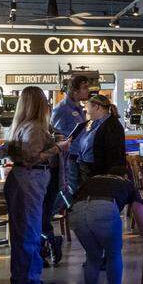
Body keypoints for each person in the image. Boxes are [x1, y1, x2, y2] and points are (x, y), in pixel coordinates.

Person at [4, 86, 70, 284]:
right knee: (28, 234)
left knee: (28, 232)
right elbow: (32, 158)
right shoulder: (33, 127)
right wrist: (58, 148)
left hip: (26, 180)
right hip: (30, 180)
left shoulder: (21, 126)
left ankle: (32, 281)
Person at [68, 171, 143, 284]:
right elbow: (140, 218)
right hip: (104, 208)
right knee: (114, 253)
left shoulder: (93, 178)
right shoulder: (128, 184)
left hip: (77, 211)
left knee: (92, 256)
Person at [41, 74, 91, 267]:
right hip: (66, 162)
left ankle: (46, 240)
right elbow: (55, 136)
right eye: (85, 87)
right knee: (64, 199)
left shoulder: (78, 108)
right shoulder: (62, 110)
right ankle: (47, 239)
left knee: (70, 201)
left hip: (77, 160)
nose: (88, 91)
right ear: (75, 89)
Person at [71, 94, 128, 180]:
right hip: (91, 172)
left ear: (97, 107)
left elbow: (113, 155)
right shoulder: (97, 124)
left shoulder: (111, 125)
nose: (87, 111)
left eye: (88, 108)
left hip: (102, 176)